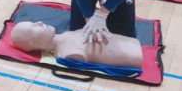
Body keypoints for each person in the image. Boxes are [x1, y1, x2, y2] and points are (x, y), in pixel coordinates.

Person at [10, 21, 143, 70]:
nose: (39, 22)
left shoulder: (66, 36)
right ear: (32, 43)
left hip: (131, 44)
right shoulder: (66, 53)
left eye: (33, 22)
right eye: (33, 27)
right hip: (134, 56)